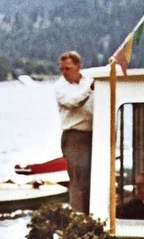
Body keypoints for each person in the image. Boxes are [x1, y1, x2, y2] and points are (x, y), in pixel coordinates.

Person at [55, 50, 94, 214]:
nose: (64, 72)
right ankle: (79, 217)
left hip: (95, 134)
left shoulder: (91, 80)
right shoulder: (60, 86)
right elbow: (72, 102)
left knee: (93, 176)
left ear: (78, 67)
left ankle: (94, 214)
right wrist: (90, 90)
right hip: (74, 136)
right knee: (78, 180)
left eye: (68, 68)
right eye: (62, 69)